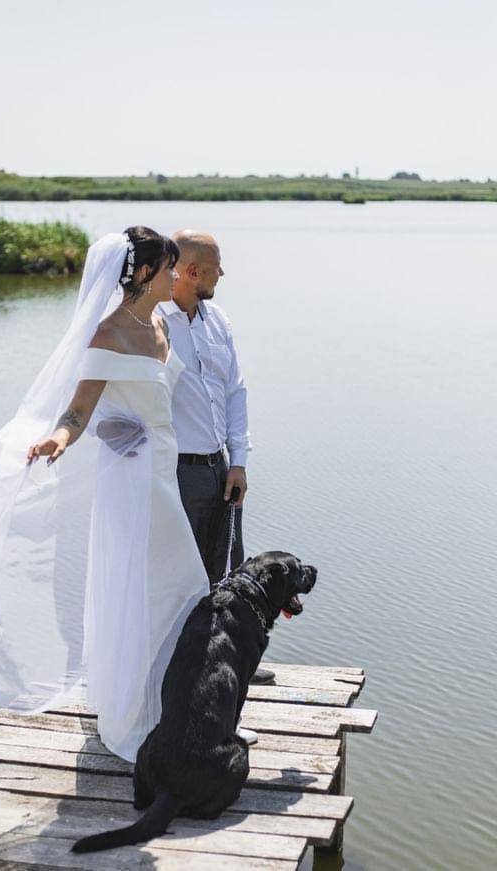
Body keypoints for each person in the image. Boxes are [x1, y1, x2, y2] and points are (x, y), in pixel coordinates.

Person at [0, 227, 209, 762]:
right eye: (168, 267)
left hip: (163, 473)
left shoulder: (160, 321)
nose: (175, 275)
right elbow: (78, 411)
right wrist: (59, 439)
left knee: (181, 590)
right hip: (131, 484)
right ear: (144, 273)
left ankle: (178, 709)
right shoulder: (108, 334)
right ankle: (134, 716)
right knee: (146, 592)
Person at [157, 229, 275, 688]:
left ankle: (228, 660)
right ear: (190, 272)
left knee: (227, 568)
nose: (221, 274)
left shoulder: (218, 320)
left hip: (220, 468)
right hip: (175, 472)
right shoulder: (155, 323)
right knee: (179, 576)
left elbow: (235, 392)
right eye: (213, 268)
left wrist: (239, 461)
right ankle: (176, 674)